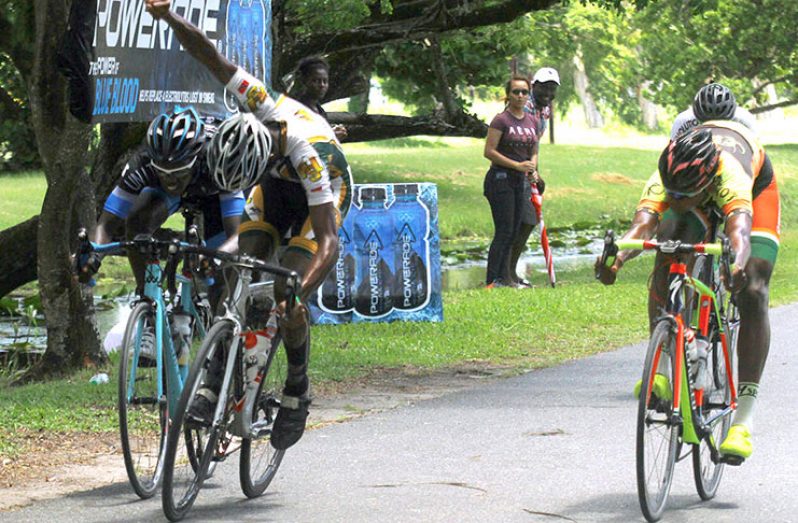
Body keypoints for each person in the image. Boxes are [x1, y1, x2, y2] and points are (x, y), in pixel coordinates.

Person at [146, 0, 353, 450]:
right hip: (274, 190)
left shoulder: (311, 157)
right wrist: (167, 16)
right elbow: (208, 55)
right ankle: (216, 377)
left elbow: (330, 243)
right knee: (235, 269)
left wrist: (300, 286)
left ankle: (298, 386)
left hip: (321, 198)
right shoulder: (257, 100)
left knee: (287, 291)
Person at [596, 122, 780, 462]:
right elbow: (643, 225)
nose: (675, 200)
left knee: (753, 288)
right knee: (668, 248)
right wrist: (616, 259)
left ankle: (743, 419)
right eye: (672, 194)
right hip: (696, 184)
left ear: (708, 181)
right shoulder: (669, 176)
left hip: (756, 190)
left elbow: (739, 232)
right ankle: (664, 368)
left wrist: (736, 265)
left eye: (682, 195)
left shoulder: (732, 177)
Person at [80, 106, 246, 294]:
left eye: (178, 173)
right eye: (163, 172)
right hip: (166, 194)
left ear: (194, 160)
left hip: (213, 195)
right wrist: (93, 257)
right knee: (137, 221)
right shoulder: (142, 162)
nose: (170, 181)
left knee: (219, 283)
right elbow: (106, 225)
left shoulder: (218, 162)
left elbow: (238, 236)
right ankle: (146, 295)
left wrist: (216, 259)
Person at [482, 75, 542, 288]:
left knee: (516, 229)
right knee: (504, 229)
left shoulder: (532, 121)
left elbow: (533, 150)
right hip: (500, 181)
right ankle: (494, 279)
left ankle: (507, 276)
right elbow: (489, 151)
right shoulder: (501, 120)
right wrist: (516, 165)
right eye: (516, 91)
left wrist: (531, 167)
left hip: (520, 182)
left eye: (524, 92)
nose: (520, 96)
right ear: (508, 95)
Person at [506, 67, 560, 287]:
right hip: (512, 170)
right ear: (533, 86)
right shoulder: (524, 107)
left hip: (528, 168)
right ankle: (505, 274)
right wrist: (530, 172)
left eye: (552, 88)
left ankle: (510, 272)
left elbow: (534, 143)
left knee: (526, 221)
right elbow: (515, 142)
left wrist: (536, 172)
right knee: (519, 222)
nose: (548, 93)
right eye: (544, 87)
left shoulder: (544, 110)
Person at [670, 82, 757, 140]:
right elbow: (671, 152)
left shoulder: (745, 119)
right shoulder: (683, 120)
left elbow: (757, 150)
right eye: (707, 122)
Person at [293, 55, 347, 141]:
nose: (322, 85)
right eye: (316, 81)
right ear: (304, 81)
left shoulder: (320, 111)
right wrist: (329, 136)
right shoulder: (296, 109)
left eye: (325, 81)